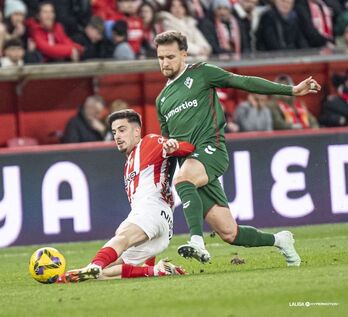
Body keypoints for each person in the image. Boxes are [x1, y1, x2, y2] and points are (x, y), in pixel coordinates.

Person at [154, 30, 321, 265]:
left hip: (211, 150)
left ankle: (196, 242)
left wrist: (290, 90)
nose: (165, 62)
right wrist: (165, 168)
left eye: (170, 56)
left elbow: (243, 82)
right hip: (191, 166)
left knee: (183, 181)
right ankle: (280, 240)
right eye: (160, 57)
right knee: (229, 233)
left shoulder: (202, 73)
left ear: (184, 54)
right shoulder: (161, 100)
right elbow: (167, 145)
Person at [58, 109, 189, 282]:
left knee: (122, 237)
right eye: (114, 132)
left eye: (122, 130)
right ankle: (156, 271)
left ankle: (94, 265)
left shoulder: (149, 142)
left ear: (136, 131)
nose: (117, 136)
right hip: (163, 226)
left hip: (152, 209)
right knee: (106, 271)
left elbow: (187, 148)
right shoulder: (128, 165)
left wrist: (177, 147)